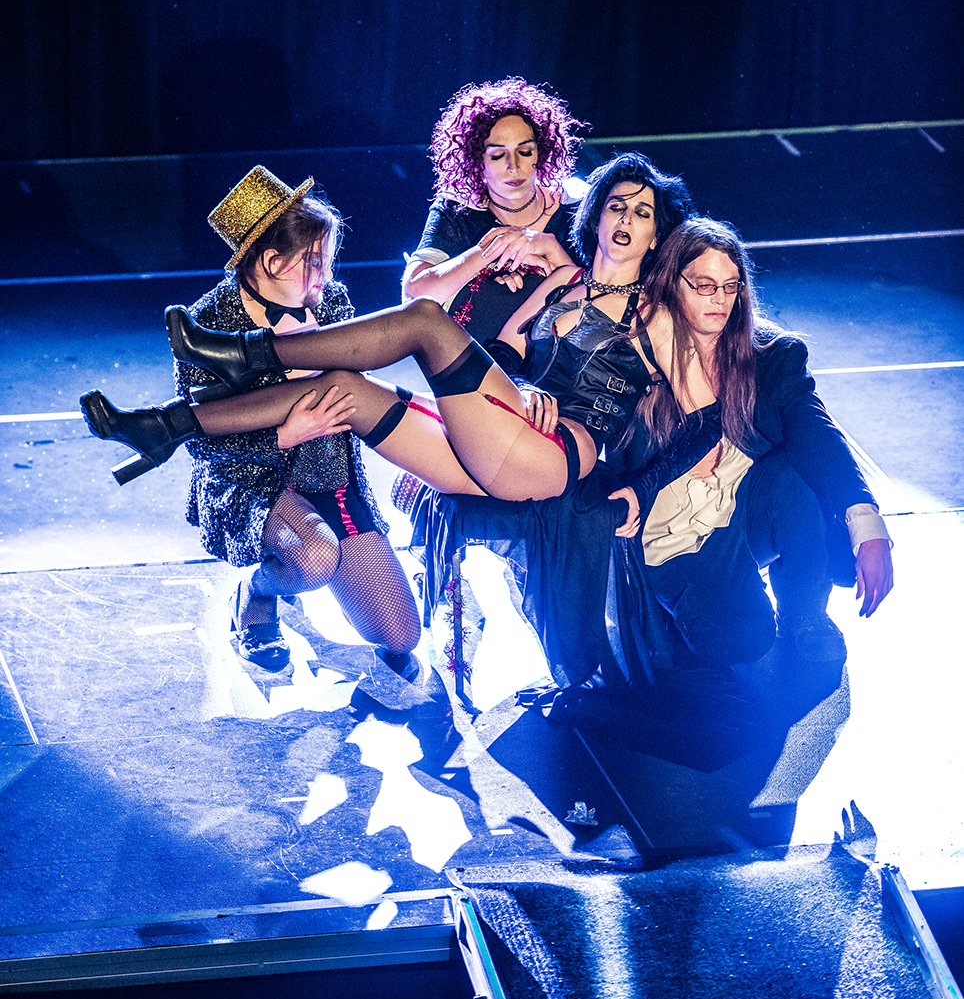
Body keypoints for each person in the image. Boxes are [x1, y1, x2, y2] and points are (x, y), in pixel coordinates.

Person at [79, 155, 712, 687]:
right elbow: (511, 355)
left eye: (642, 212)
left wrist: (641, 484)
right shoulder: (565, 284)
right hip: (495, 435)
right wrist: (523, 387)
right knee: (346, 389)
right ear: (595, 216)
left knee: (425, 322)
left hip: (550, 456)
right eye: (617, 206)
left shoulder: (659, 311)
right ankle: (163, 427)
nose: (626, 219)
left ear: (657, 234)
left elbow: (706, 418)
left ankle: (246, 354)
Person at [124, 165, 421, 673]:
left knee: (399, 635)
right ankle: (257, 591)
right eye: (315, 261)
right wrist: (282, 435)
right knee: (313, 558)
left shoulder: (331, 302)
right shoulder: (208, 323)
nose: (327, 274)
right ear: (271, 261)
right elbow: (201, 437)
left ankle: (303, 565)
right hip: (257, 482)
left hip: (331, 476)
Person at [607, 216, 894, 676]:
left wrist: (867, 524)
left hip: (739, 513)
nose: (720, 299)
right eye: (704, 286)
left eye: (730, 286)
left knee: (795, 473)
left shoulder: (772, 355)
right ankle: (681, 607)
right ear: (671, 283)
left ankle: (805, 616)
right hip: (668, 538)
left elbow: (818, 434)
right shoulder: (632, 354)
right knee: (742, 639)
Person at [401, 77, 587, 344]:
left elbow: (603, 305)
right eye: (498, 155)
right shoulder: (459, 210)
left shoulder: (576, 205)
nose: (513, 166)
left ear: (541, 153)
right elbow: (414, 293)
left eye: (525, 151)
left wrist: (550, 249)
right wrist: (491, 252)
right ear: (477, 161)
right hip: (476, 356)